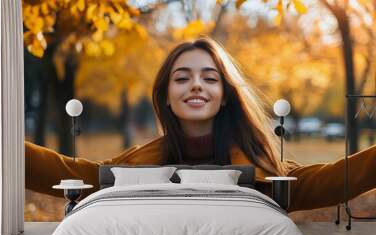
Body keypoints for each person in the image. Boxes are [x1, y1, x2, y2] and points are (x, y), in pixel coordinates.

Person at [25, 37, 376, 212]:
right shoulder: (130, 167)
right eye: (182, 78)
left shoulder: (266, 171)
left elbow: (334, 180)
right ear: (166, 95)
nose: (196, 85)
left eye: (210, 78)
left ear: (224, 95)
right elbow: (64, 171)